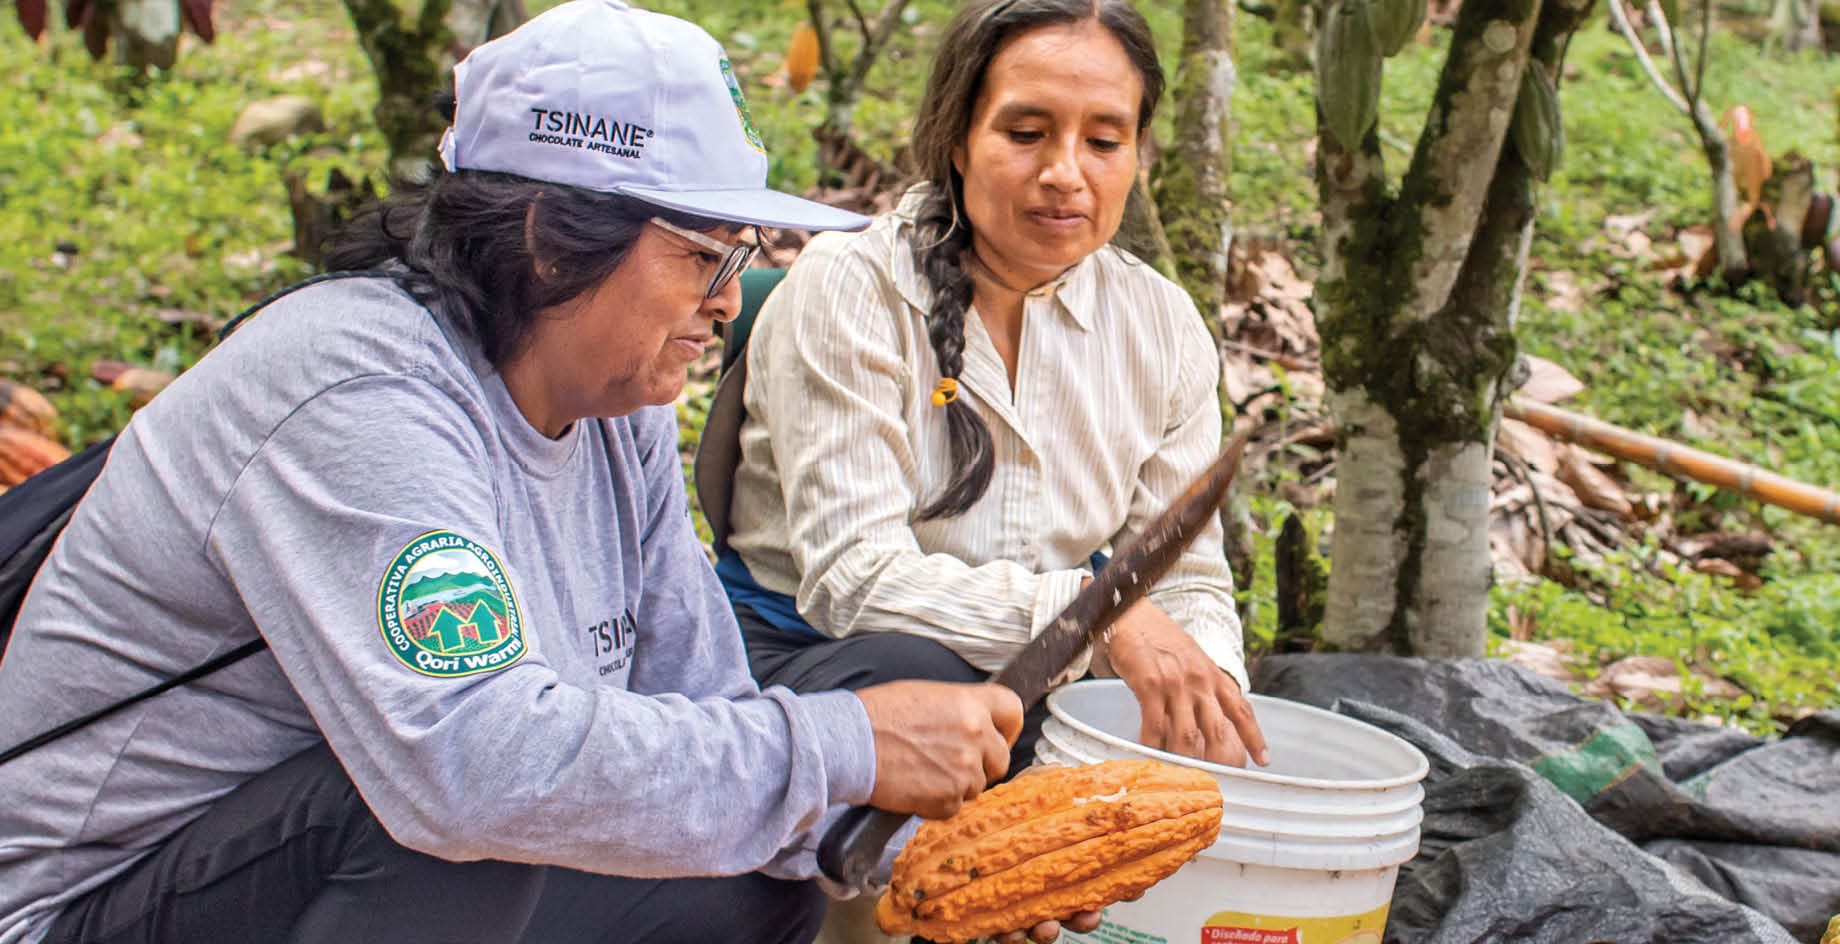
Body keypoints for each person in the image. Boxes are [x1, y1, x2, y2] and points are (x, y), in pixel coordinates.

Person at [0, 3, 1094, 942]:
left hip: (355, 858)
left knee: (748, 881)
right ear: (546, 236)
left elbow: (698, 700)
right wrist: (845, 743)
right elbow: (468, 760)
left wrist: (924, 853)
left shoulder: (607, 398)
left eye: (740, 257)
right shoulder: (356, 394)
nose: (727, 297)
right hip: (91, 896)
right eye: (702, 252)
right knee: (459, 827)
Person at [714, 0, 1268, 771]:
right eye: (1025, 133)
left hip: (1045, 672)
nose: (1065, 174)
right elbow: (854, 579)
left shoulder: (1163, 327)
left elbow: (1189, 579)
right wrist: (1098, 617)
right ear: (957, 140)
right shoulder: (853, 288)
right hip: (823, 667)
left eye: (1104, 141)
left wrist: (1205, 697)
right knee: (945, 688)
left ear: (1139, 153)